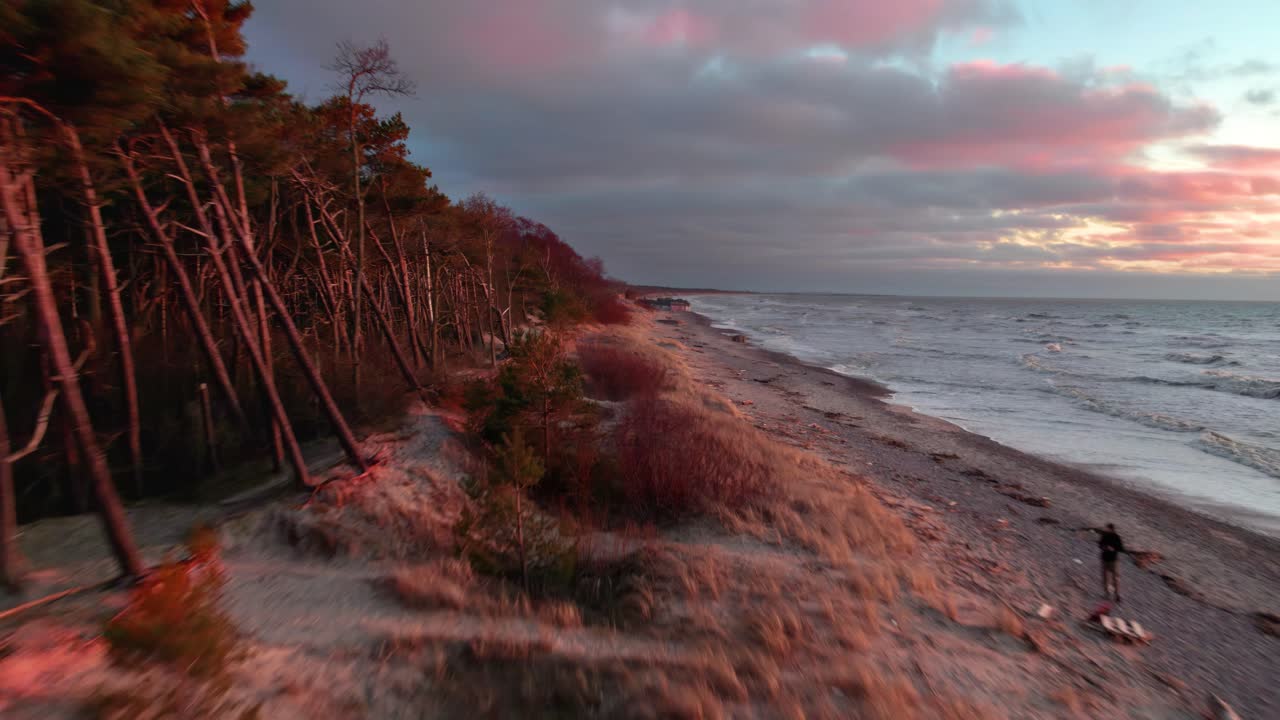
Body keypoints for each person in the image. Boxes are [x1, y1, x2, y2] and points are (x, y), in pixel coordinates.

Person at [1097, 523, 1124, 602]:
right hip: (1105, 559)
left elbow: (1121, 549)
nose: (1106, 530)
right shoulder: (1104, 535)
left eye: (1107, 528)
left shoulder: (1116, 537)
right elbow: (1100, 545)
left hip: (1114, 560)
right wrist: (1104, 547)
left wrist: (1113, 549)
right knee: (1105, 578)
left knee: (1115, 578)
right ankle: (1107, 593)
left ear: (1111, 529)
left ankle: (1117, 595)